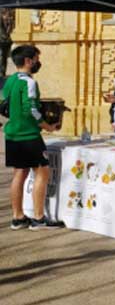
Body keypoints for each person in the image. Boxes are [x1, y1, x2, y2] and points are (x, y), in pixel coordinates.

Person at [2, 45, 64, 230]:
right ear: (28, 61)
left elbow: (4, 104)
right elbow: (32, 110)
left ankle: (18, 217)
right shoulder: (29, 82)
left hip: (12, 133)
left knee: (19, 173)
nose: (38, 62)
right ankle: (38, 218)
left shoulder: (10, 80)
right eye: (37, 58)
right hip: (28, 134)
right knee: (42, 172)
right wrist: (47, 126)